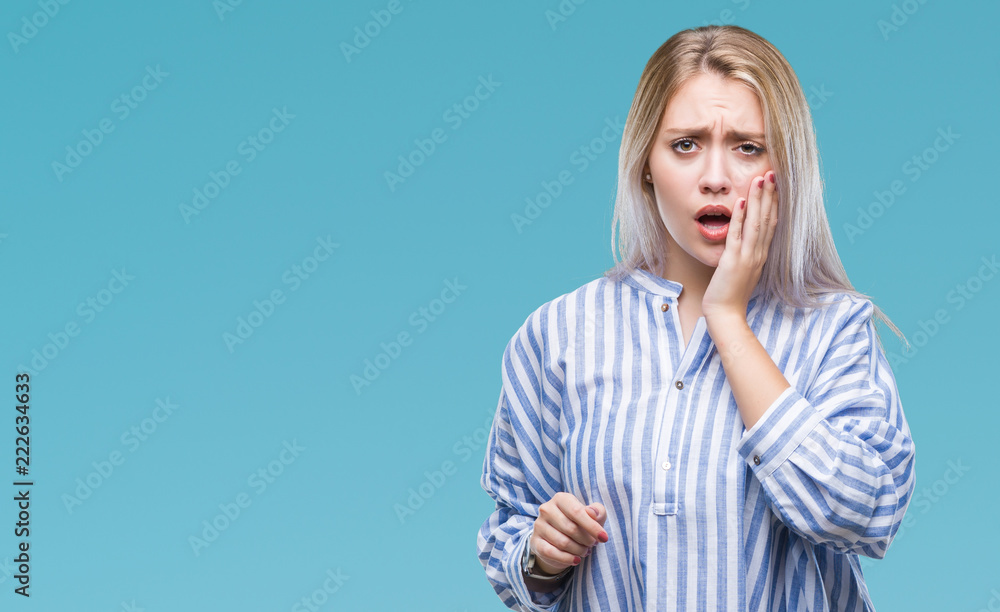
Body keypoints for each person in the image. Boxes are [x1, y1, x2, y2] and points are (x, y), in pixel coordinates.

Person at [476, 24, 916, 611]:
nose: (715, 176)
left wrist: (728, 319)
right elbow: (510, 539)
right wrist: (540, 553)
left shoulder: (833, 328)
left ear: (785, 167)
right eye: (686, 144)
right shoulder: (557, 335)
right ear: (646, 165)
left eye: (747, 146)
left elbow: (865, 513)